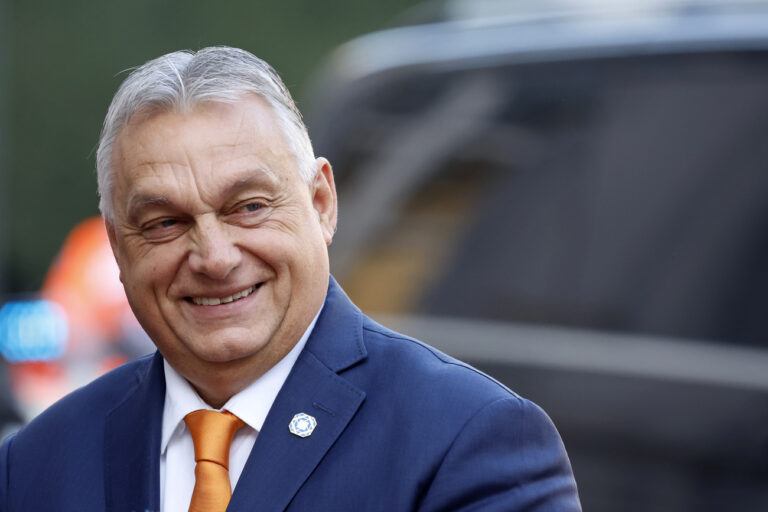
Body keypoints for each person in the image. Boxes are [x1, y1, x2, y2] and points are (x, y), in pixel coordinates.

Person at [0, 46, 580, 511]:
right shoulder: (36, 465)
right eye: (166, 222)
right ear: (117, 248)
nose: (215, 256)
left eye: (248, 207)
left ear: (322, 202)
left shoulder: (466, 441)